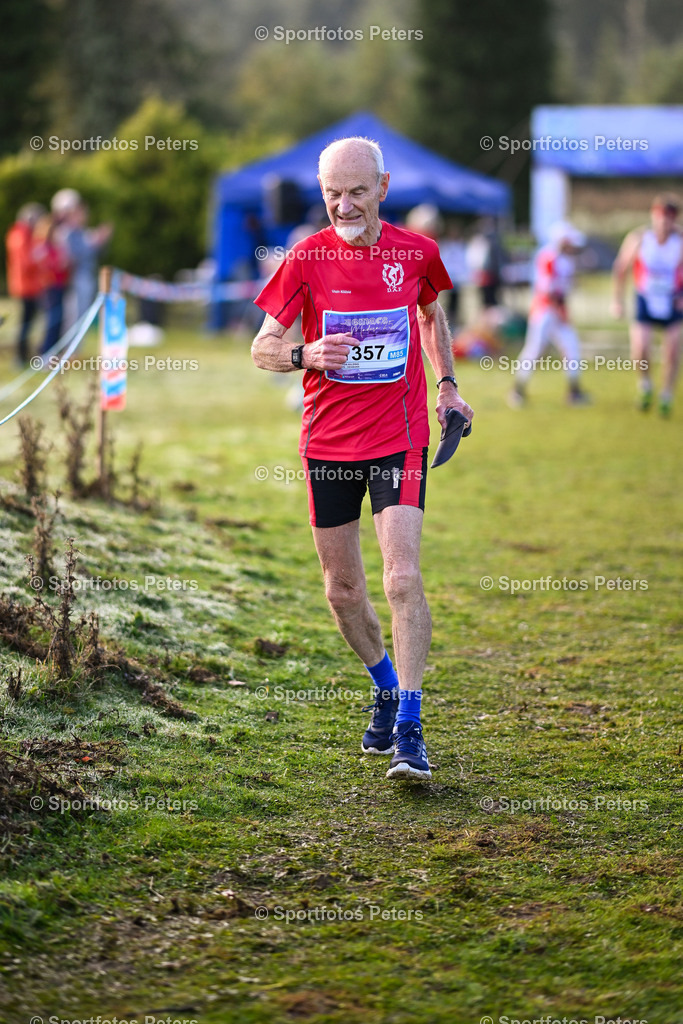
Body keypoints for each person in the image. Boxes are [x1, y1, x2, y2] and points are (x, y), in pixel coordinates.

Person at [251, 137, 473, 781]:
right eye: (331, 194)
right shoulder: (305, 259)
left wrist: (448, 385)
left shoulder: (417, 252)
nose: (343, 205)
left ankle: (410, 721)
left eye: (355, 191)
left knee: (401, 578)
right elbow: (263, 346)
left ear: (382, 187)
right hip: (327, 443)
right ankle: (381, 681)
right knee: (342, 591)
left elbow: (432, 316)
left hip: (400, 436)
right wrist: (305, 355)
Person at [612, 194, 683, 417]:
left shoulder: (680, 241)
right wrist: (617, 301)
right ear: (653, 216)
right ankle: (645, 386)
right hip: (645, 297)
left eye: (669, 218)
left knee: (671, 352)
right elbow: (621, 268)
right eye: (660, 217)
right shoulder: (640, 238)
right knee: (640, 348)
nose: (664, 223)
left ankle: (666, 396)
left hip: (672, 299)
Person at [509, 221, 590, 407]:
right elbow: (547, 289)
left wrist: (563, 309)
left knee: (572, 348)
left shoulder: (566, 260)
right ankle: (517, 390)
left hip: (557, 311)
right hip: (544, 311)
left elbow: (564, 290)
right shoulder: (548, 257)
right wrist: (560, 309)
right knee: (534, 349)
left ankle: (574, 392)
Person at [5, 203, 45, 365]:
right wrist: (39, 258)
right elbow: (25, 263)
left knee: (29, 322)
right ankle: (19, 357)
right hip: (23, 286)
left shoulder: (27, 235)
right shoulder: (19, 236)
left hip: (31, 286)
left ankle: (25, 353)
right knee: (25, 323)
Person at [33, 213, 71, 357]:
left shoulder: (57, 247)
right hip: (50, 288)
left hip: (59, 286)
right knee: (52, 321)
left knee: (58, 321)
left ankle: (54, 353)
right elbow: (44, 267)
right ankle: (46, 352)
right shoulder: (43, 248)